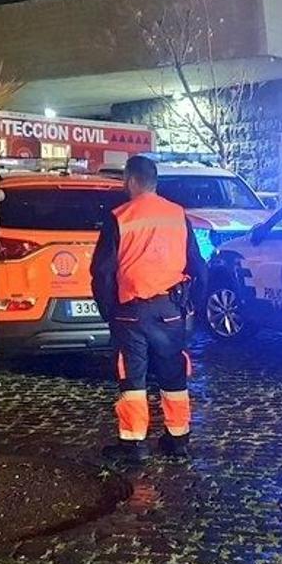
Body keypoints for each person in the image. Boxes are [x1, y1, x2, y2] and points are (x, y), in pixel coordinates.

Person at [91, 155, 206, 463]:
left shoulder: (120, 217)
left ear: (130, 181)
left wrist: (108, 312)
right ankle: (178, 438)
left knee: (133, 378)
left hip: (131, 312)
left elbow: (102, 272)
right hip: (171, 310)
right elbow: (199, 267)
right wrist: (190, 302)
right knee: (173, 374)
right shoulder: (177, 215)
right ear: (155, 181)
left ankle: (133, 444)